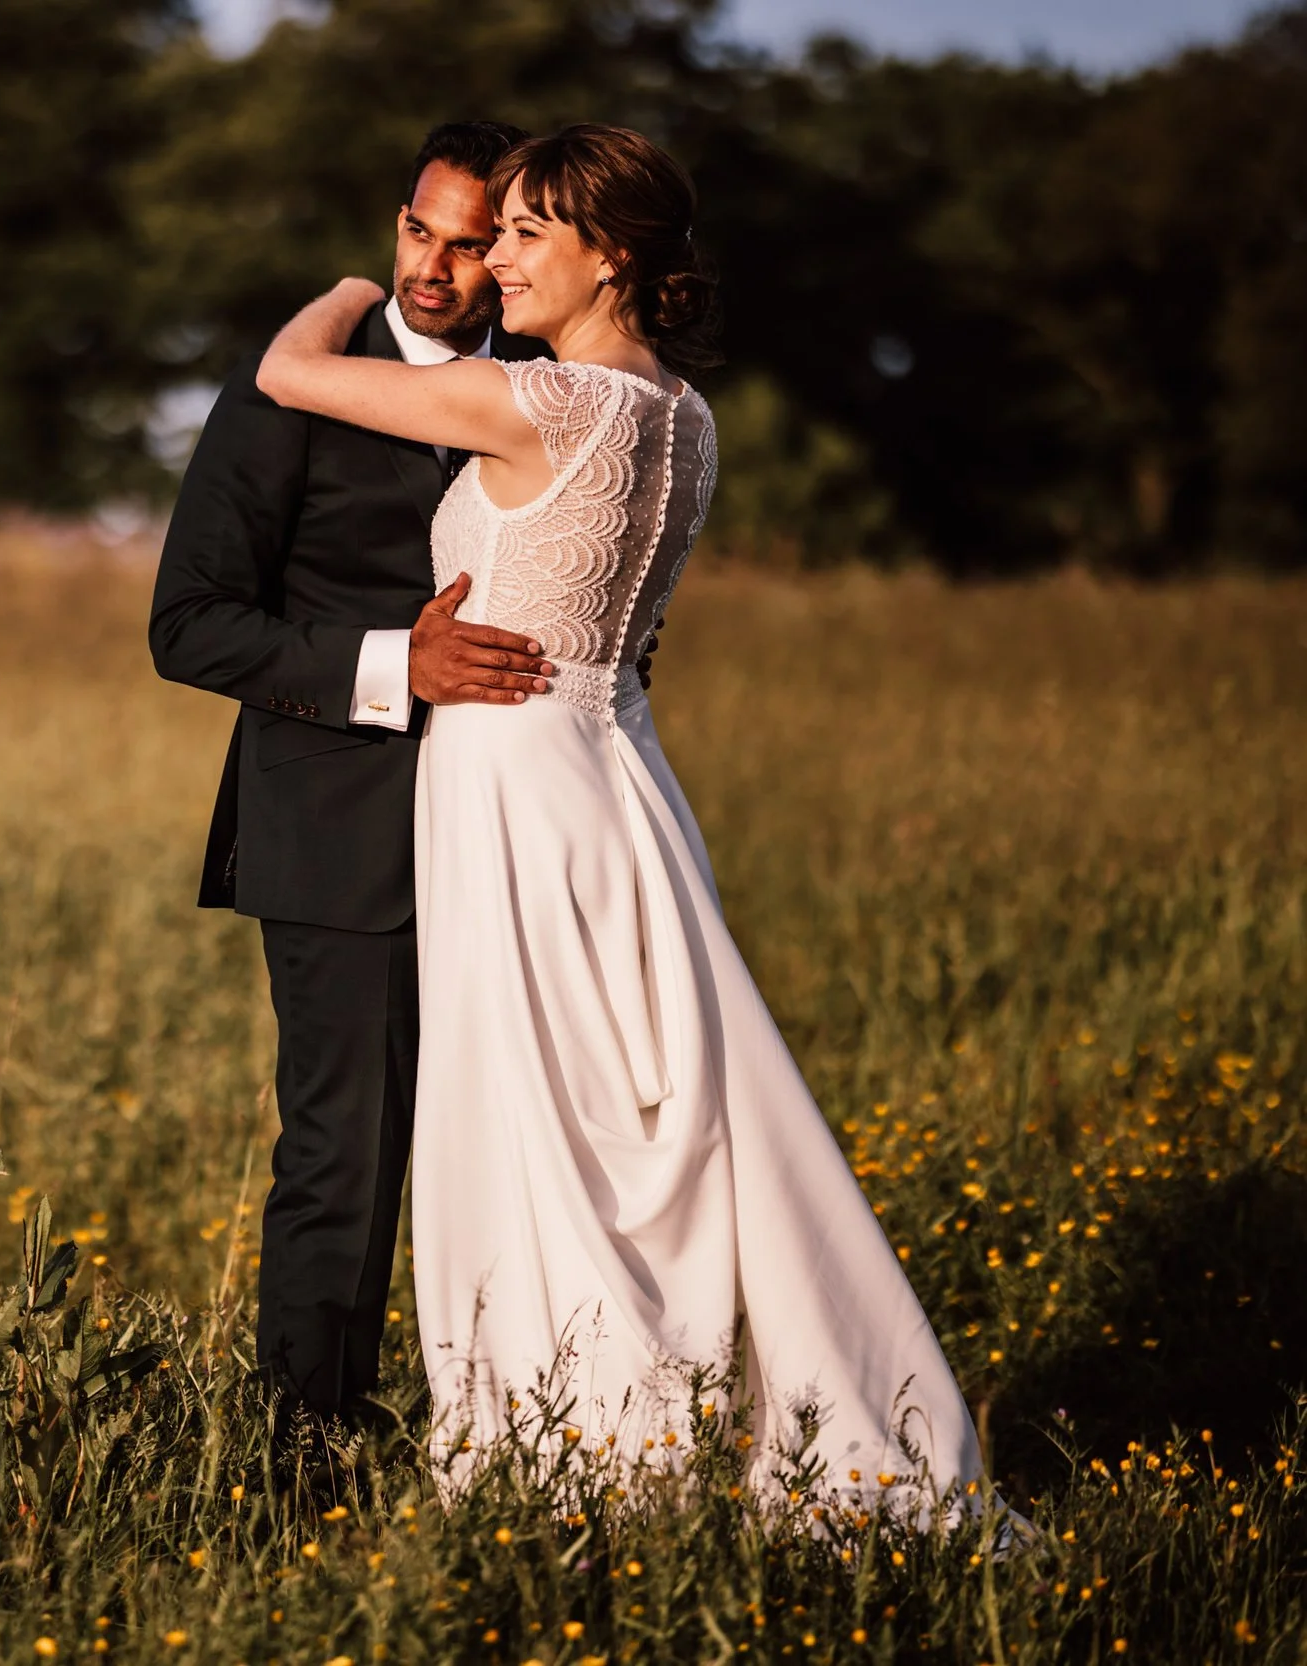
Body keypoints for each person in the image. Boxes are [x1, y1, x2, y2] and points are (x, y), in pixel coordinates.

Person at [252, 124, 983, 1509]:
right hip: (621, 774)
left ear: (617, 256)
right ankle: (671, 1408)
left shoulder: (537, 405)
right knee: (646, 1108)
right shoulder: (687, 421)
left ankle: (577, 1445)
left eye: (529, 233)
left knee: (536, 1116)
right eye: (494, 232)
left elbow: (289, 374)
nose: (495, 261)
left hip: (513, 778)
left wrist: (358, 284)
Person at [149, 121, 563, 1432]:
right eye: (415, 233)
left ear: (515, 253)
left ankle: (513, 1432)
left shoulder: (550, 387)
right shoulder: (294, 383)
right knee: (347, 1157)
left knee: (515, 1148)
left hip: (515, 822)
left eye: (468, 243)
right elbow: (191, 624)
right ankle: (307, 1451)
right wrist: (400, 666)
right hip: (338, 827)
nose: (434, 270)